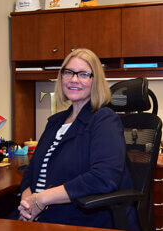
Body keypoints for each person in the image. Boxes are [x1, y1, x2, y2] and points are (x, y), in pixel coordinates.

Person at [18, 48, 140, 230]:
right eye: (68, 72)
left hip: (79, 219)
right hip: (40, 215)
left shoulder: (104, 119)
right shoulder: (55, 122)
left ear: (95, 81)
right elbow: (32, 171)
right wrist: (27, 204)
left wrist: (41, 199)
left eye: (83, 74)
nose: (74, 79)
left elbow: (104, 177)